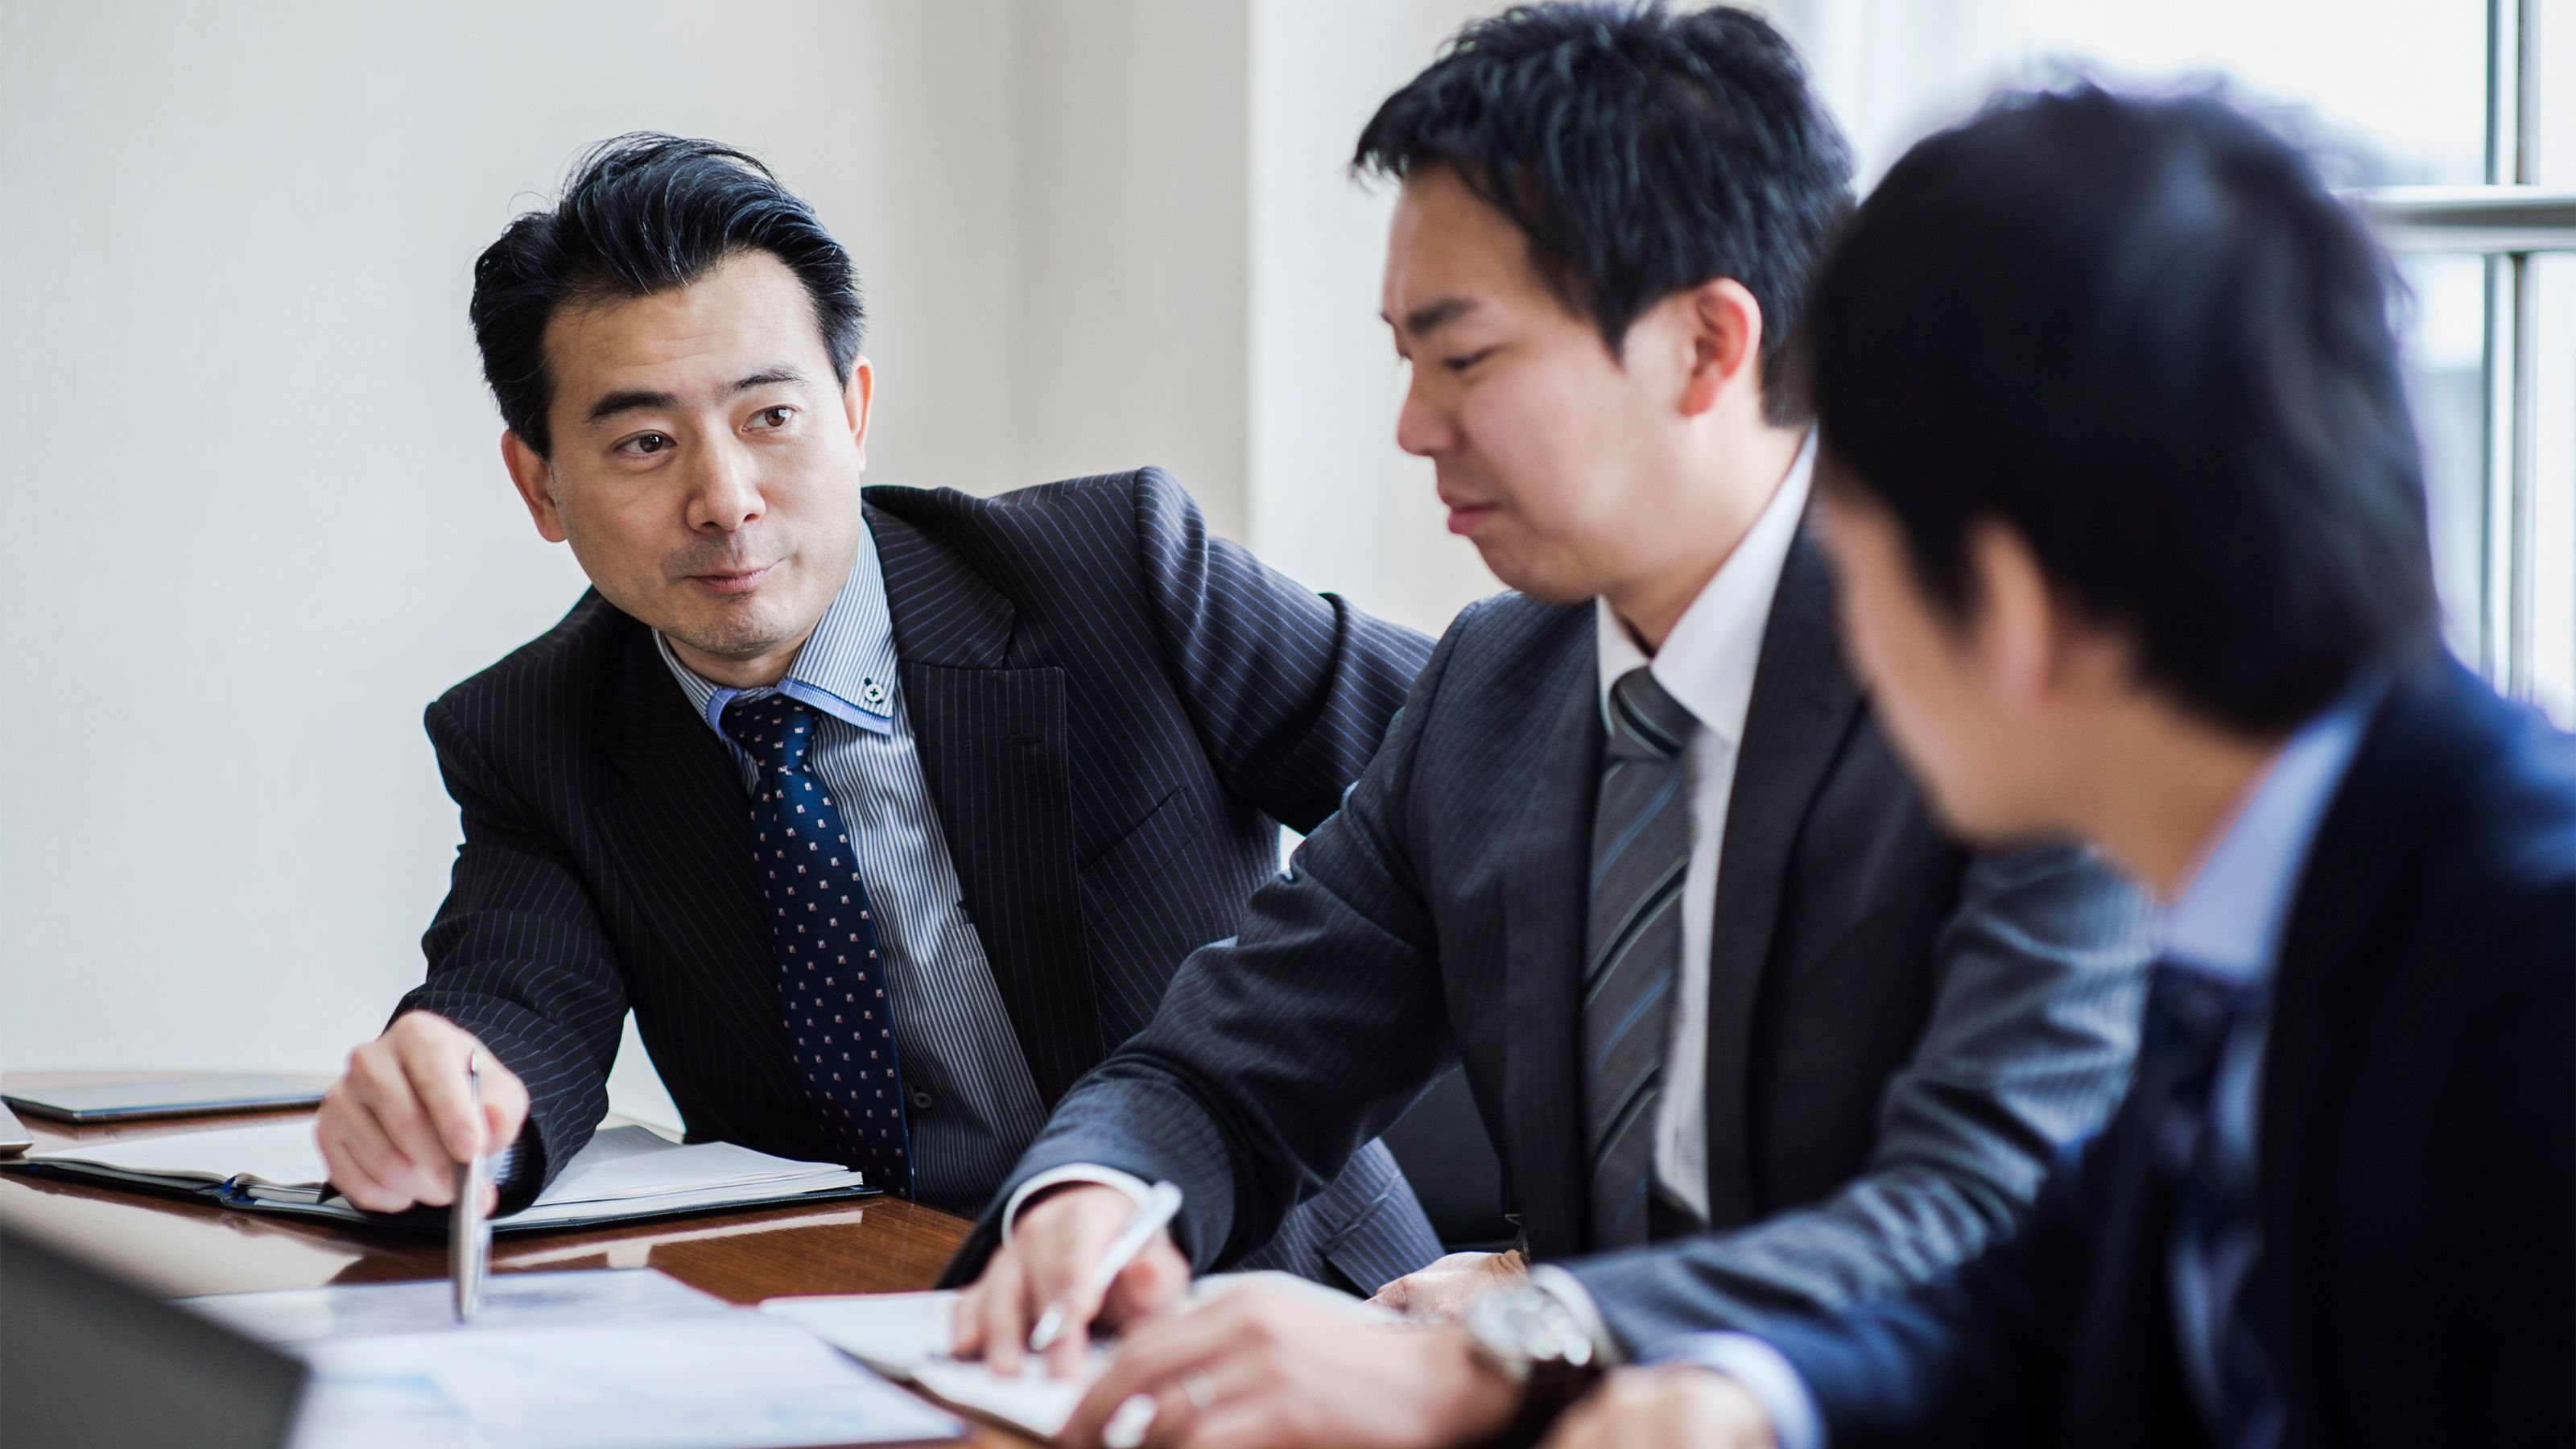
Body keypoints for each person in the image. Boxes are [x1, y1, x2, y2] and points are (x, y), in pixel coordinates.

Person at [950, 7, 2153, 1443]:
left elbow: (1979, 1213)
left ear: (1708, 344)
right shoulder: (1492, 686)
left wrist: (1518, 1337)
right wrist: (1092, 1195)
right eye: (1402, 357)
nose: (1411, 426)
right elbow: (1222, 1065)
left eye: (1465, 360)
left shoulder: (2010, 677)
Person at [1545, 86, 2576, 1449]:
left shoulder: (2532, 979)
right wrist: (1749, 1391)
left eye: (1850, 562)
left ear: (2013, 607)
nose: (1842, 630)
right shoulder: (2248, 911)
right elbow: (2034, 1307)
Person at [307, 133, 1449, 1294]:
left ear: (853, 411)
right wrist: (442, 1109)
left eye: (770, 418)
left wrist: (1540, 1260)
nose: (726, 500)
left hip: (1274, 1306)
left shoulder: (1119, 578)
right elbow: (511, 1004)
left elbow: (1520, 770)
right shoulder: (539, 732)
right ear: (541, 482)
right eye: (645, 443)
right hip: (880, 1345)